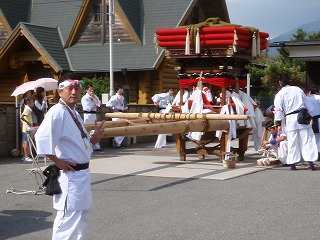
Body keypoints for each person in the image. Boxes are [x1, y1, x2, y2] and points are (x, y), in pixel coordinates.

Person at [35, 73, 105, 239]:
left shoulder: (72, 112)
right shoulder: (57, 111)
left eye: (77, 88)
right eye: (69, 88)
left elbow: (77, 144)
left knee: (81, 219)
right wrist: (57, 161)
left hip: (82, 174)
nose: (74, 92)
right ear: (60, 92)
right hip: (70, 175)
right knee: (68, 220)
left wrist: (94, 140)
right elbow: (41, 138)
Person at [273, 73, 318, 170]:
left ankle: (293, 164)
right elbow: (307, 103)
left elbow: (278, 110)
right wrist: (312, 115)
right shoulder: (298, 89)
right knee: (307, 140)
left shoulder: (279, 94)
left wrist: (278, 123)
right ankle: (310, 163)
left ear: (280, 82)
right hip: (302, 116)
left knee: (292, 142)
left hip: (290, 119)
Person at [81, 84, 102, 151]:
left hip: (94, 115)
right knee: (88, 130)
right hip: (88, 115)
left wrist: (94, 98)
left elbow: (99, 104)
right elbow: (87, 108)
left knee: (95, 129)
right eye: (90, 90)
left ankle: (96, 146)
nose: (92, 91)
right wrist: (95, 105)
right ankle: (88, 145)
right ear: (87, 90)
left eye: (92, 89)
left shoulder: (95, 96)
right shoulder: (85, 98)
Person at [305, 86, 320, 159]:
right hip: (319, 118)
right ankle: (318, 153)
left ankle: (315, 154)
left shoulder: (307, 99)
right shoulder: (318, 97)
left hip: (311, 120)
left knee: (314, 137)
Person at [20, 97, 36, 162]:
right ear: (28, 102)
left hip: (26, 128)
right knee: (26, 142)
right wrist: (28, 122)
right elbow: (21, 117)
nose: (33, 103)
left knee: (25, 142)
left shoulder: (27, 108)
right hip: (27, 128)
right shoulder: (27, 109)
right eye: (32, 102)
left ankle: (25, 156)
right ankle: (26, 156)